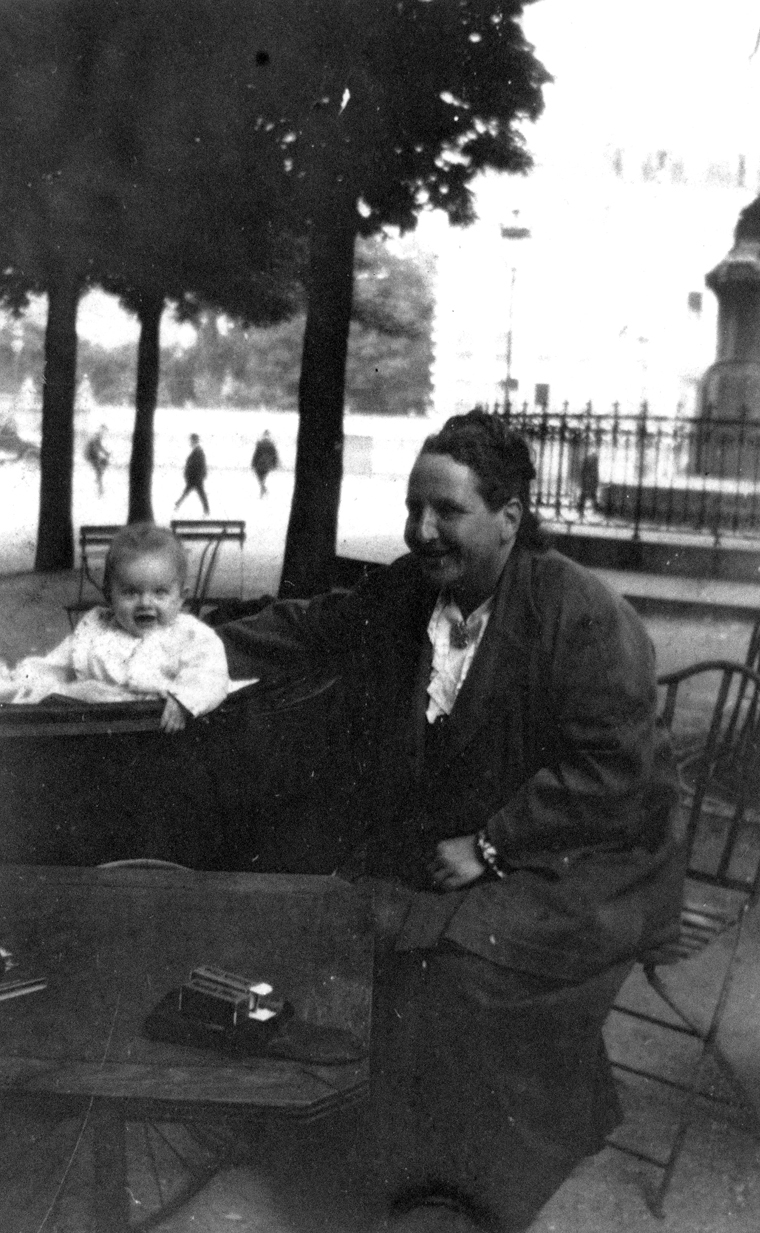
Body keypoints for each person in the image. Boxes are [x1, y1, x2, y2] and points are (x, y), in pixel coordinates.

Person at [219, 409, 682, 1232]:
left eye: (448, 512)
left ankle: (469, 1190)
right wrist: (184, 646)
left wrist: (492, 843)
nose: (422, 531)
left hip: (589, 860)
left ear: (509, 518)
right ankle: (398, 1162)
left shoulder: (580, 614)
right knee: (355, 930)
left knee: (457, 977)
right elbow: (315, 623)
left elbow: (619, 776)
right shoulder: (414, 590)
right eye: (413, 508)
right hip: (466, 845)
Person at [6, 523, 229, 733]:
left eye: (160, 592)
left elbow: (210, 673)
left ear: (181, 598)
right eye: (131, 592)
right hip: (95, 728)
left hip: (157, 730)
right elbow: (53, 666)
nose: (145, 602)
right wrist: (21, 682)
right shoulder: (95, 628)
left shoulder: (189, 635)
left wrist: (184, 700)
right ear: (109, 596)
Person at [175, 433, 210, 514]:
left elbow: (197, 465)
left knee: (197, 493)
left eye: (191, 440)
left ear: (194, 441)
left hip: (195, 478)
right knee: (197, 493)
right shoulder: (197, 450)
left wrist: (194, 474)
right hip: (195, 478)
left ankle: (178, 504)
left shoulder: (198, 451)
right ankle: (206, 510)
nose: (190, 442)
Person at [251, 429, 279, 497]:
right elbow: (275, 455)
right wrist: (275, 464)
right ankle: (263, 489)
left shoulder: (260, 444)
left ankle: (263, 489)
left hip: (259, 463)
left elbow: (256, 454)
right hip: (267, 463)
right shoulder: (271, 445)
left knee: (260, 477)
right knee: (262, 477)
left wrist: (253, 463)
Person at [84, 425, 111, 497]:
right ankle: (100, 490)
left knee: (104, 463)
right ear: (101, 430)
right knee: (99, 469)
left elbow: (99, 446)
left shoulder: (98, 436)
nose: (104, 433)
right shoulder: (96, 436)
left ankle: (98, 478)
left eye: (105, 432)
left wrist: (106, 453)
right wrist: (102, 455)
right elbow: (96, 448)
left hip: (92, 454)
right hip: (90, 455)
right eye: (104, 431)